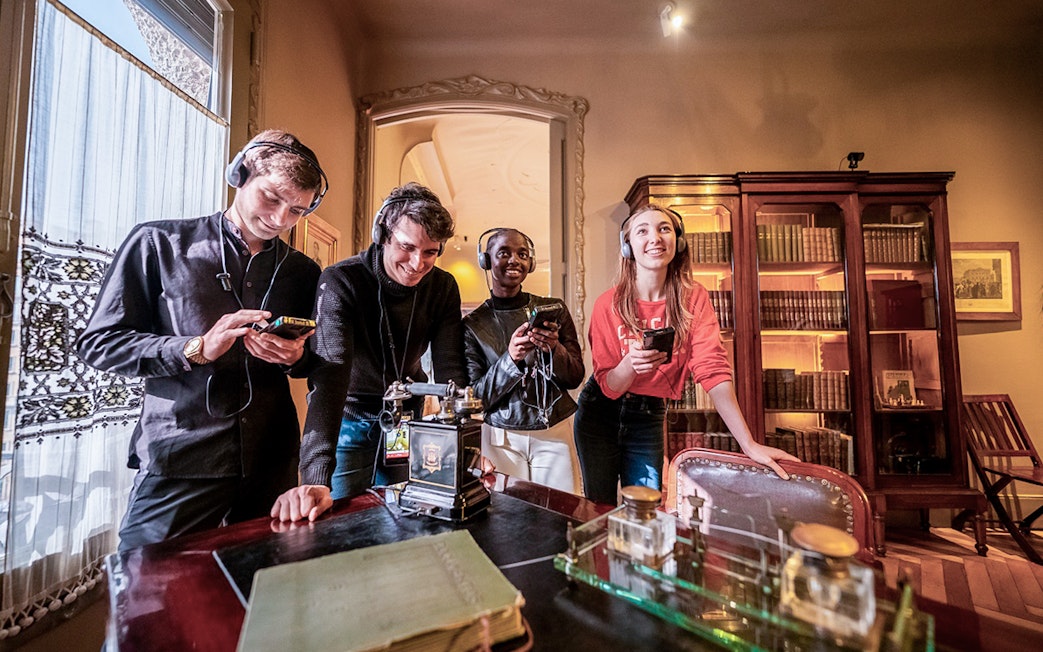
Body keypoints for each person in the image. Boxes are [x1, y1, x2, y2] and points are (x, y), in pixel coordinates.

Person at [76, 130, 327, 551]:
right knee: (148, 596)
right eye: (271, 198)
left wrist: (294, 357)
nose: (281, 219)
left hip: (271, 463)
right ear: (240, 175)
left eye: (297, 210)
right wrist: (195, 348)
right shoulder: (157, 243)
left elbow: (312, 364)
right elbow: (99, 342)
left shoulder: (303, 271)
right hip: (181, 458)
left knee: (264, 597)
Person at [574, 204, 798, 504]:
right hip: (599, 412)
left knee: (646, 506)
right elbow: (609, 387)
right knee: (598, 506)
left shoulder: (694, 298)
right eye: (643, 231)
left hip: (649, 414)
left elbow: (713, 369)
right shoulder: (608, 304)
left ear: (677, 242)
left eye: (664, 228)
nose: (655, 237)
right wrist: (630, 365)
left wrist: (748, 443)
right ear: (628, 247)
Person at [271, 182, 467, 522]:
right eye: (407, 247)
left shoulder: (444, 286)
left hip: (407, 417)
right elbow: (329, 380)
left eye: (431, 252)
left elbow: (450, 366)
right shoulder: (341, 281)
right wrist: (316, 478)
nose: (418, 263)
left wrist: (464, 443)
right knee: (344, 522)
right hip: (350, 416)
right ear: (383, 234)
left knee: (406, 518)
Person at [463, 228, 585, 493]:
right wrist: (512, 359)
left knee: (561, 513)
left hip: (554, 430)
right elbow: (476, 396)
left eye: (522, 254)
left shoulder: (555, 309)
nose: (514, 260)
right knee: (507, 520)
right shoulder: (473, 325)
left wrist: (554, 349)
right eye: (504, 253)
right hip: (501, 436)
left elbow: (575, 376)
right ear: (487, 261)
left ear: (530, 263)